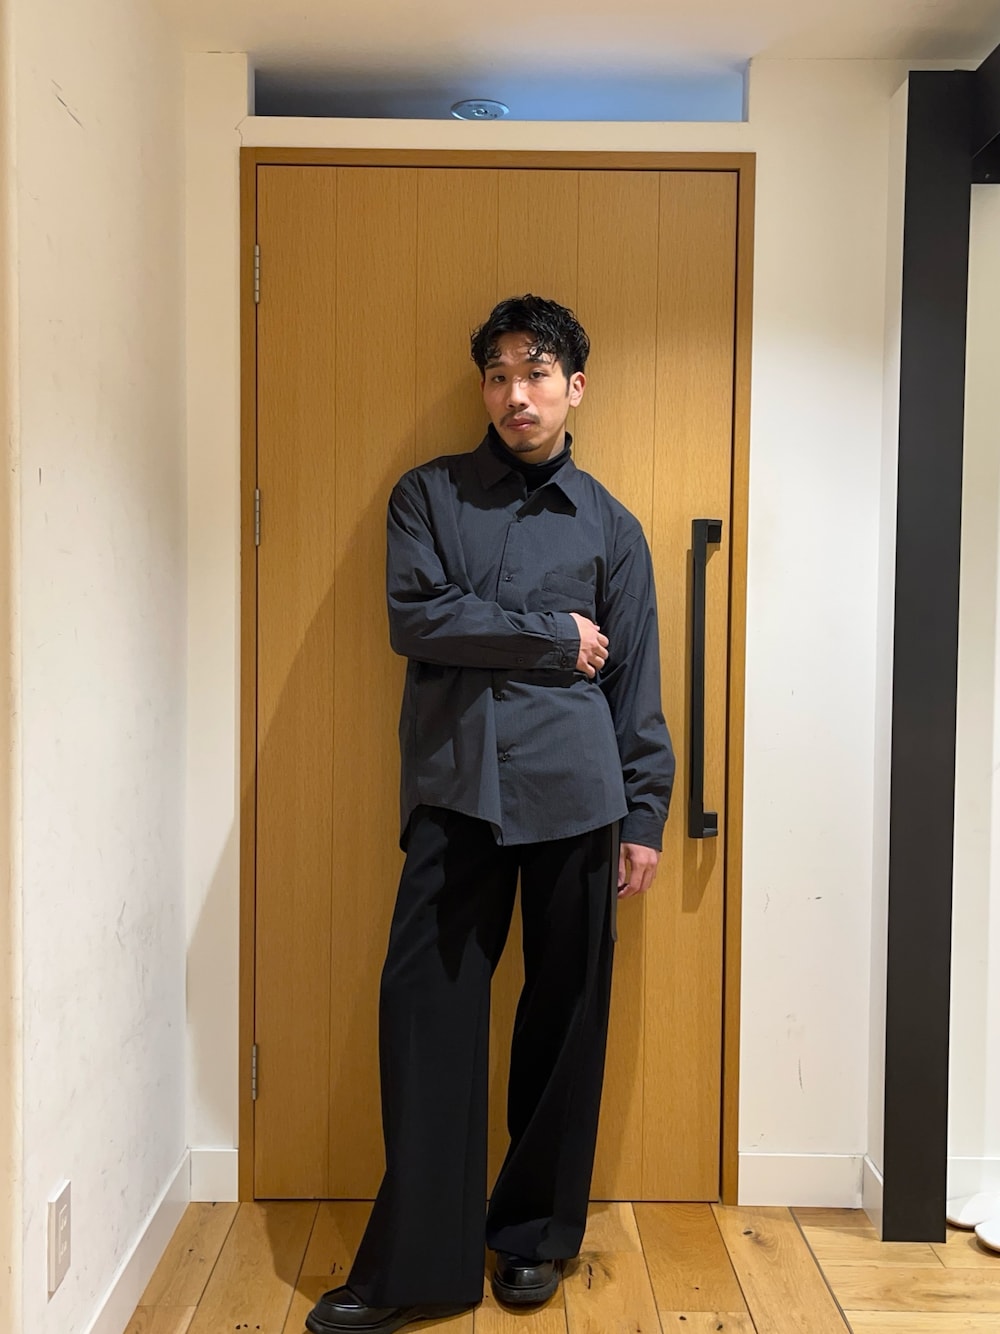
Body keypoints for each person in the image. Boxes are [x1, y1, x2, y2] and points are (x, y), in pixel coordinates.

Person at [306, 295, 675, 1334]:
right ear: (483, 388)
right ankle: (416, 1265)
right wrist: (553, 638)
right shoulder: (425, 496)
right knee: (425, 1017)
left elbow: (634, 678)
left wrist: (644, 813)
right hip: (456, 790)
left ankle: (534, 1237)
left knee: (564, 1022)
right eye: (499, 374)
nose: (517, 393)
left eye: (537, 371)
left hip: (578, 795)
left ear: (574, 387)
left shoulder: (612, 526)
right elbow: (418, 616)